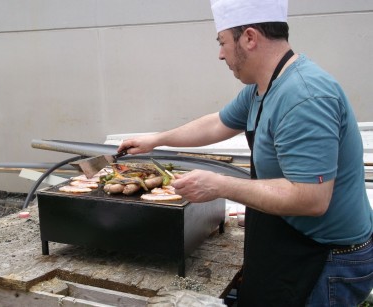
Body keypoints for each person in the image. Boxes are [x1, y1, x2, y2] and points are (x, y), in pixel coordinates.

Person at [118, 0, 373, 305]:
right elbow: (216, 123)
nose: (220, 54)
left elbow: (311, 198)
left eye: (223, 42)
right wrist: (156, 140)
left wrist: (219, 185)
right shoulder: (262, 88)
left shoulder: (305, 96)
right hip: (290, 241)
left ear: (250, 38)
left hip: (326, 259)